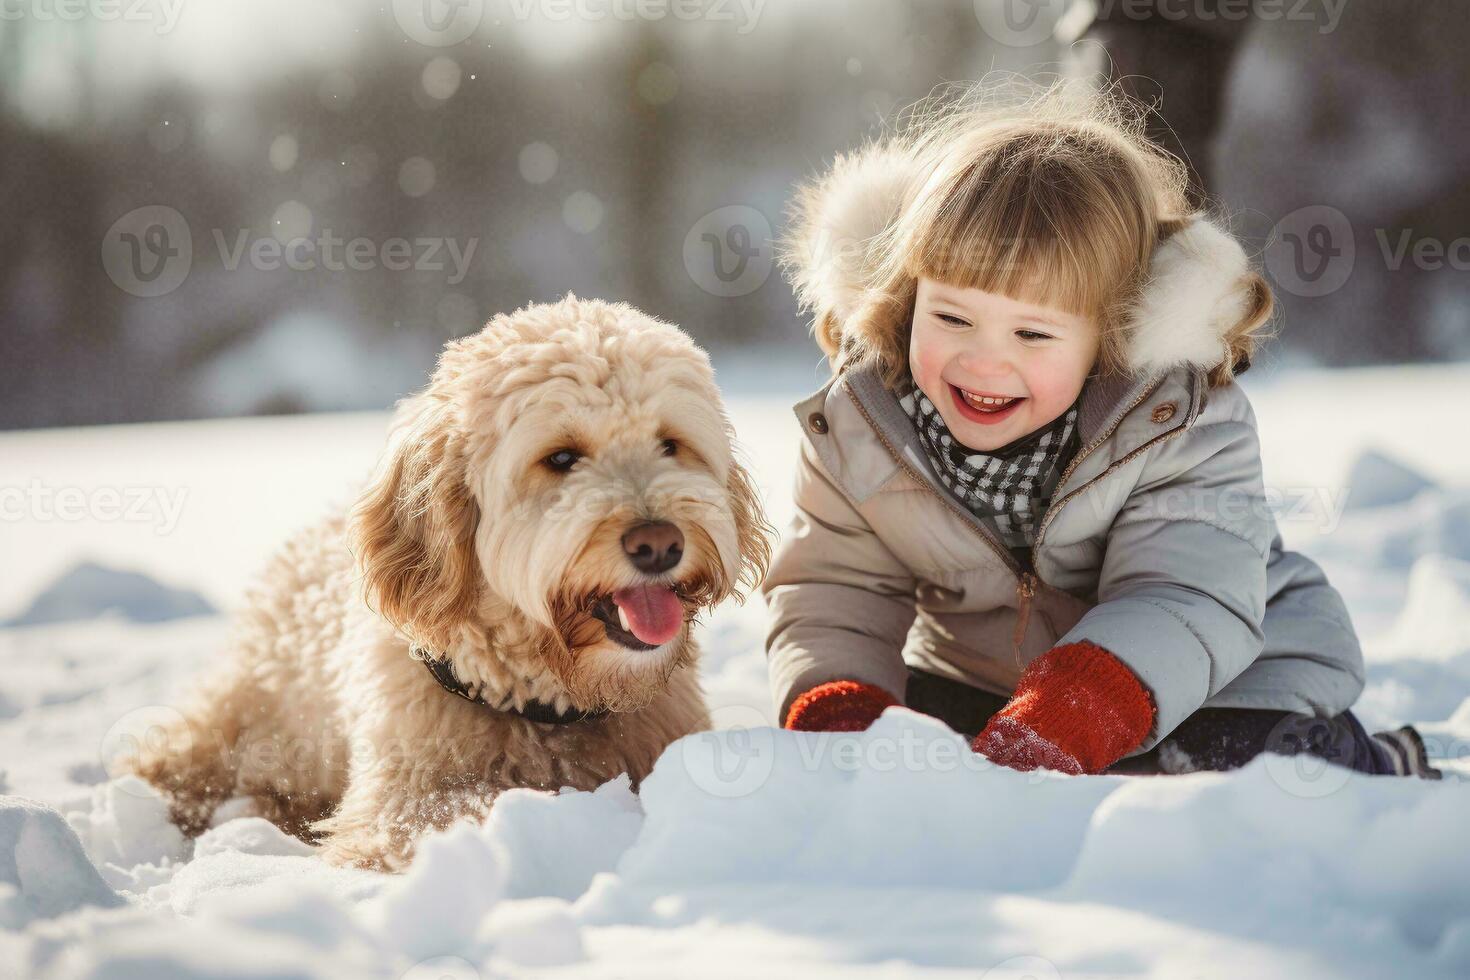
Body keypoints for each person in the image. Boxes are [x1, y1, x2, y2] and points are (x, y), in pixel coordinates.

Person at [761, 77, 1439, 779]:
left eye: (1033, 333)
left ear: (1110, 341)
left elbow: (1184, 592)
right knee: (913, 740)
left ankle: (1373, 760)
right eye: (952, 318)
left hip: (1219, 677)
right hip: (984, 688)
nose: (984, 360)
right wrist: (841, 711)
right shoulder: (865, 425)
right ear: (908, 300)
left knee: (1227, 761)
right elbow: (837, 589)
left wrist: (1076, 708)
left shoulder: (1178, 427)